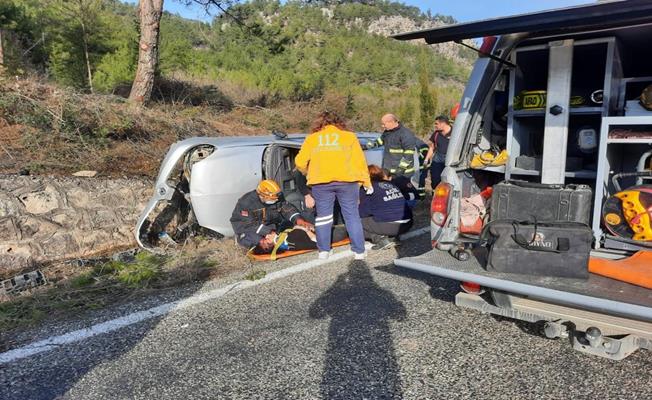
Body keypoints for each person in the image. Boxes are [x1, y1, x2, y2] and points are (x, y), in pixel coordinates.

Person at [295, 111, 372, 260]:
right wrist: (365, 182)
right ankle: (359, 251)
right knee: (351, 216)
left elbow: (299, 162)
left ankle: (324, 250)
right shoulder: (349, 137)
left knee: (323, 217)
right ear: (339, 122)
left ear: (320, 123)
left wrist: (308, 172)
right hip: (347, 182)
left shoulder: (312, 139)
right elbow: (360, 162)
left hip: (321, 183)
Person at [230, 179, 314, 251]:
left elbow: (286, 208)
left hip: (271, 225)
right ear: (262, 195)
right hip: (249, 230)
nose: (276, 200)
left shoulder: (276, 196)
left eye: (277, 198)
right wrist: (268, 233)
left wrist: (298, 220)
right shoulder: (246, 203)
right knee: (264, 245)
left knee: (303, 224)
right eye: (273, 199)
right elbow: (249, 225)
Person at [359, 165, 413, 250]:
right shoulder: (391, 184)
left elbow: (363, 212)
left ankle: (380, 239)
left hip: (391, 226)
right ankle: (393, 237)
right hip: (407, 223)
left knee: (355, 221)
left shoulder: (368, 188)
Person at [366, 114, 418, 178]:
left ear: (392, 122)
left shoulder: (405, 134)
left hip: (403, 174)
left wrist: (400, 170)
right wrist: (366, 146)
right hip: (388, 171)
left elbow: (408, 154)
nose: (382, 126)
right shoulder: (387, 132)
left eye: (384, 124)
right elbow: (379, 141)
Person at [424, 115, 452, 189]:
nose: (435, 125)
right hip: (438, 158)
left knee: (448, 181)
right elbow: (432, 147)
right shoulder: (436, 133)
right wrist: (426, 159)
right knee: (435, 179)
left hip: (450, 159)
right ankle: (435, 196)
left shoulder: (455, 133)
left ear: (443, 124)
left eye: (436, 124)